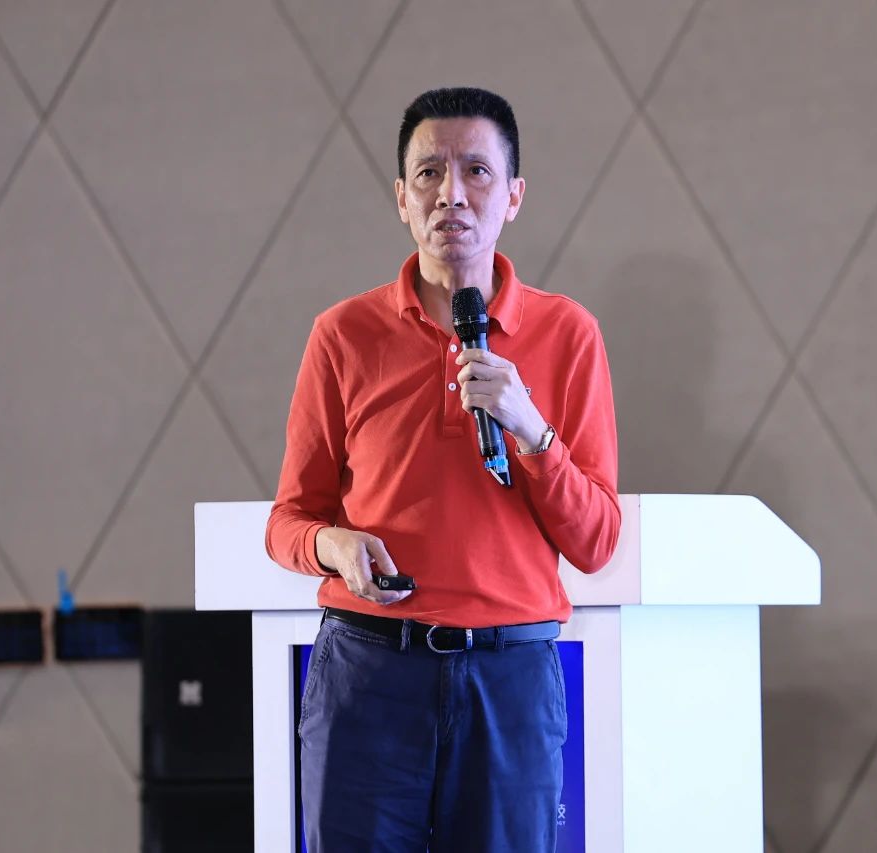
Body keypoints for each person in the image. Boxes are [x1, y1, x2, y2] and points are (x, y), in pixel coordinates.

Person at [265, 86, 620, 853]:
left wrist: (531, 428)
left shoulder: (568, 334)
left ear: (514, 195)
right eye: (428, 172)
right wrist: (333, 544)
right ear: (401, 197)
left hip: (510, 680)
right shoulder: (343, 334)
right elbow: (288, 520)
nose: (451, 193)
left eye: (476, 171)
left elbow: (596, 541)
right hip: (368, 673)